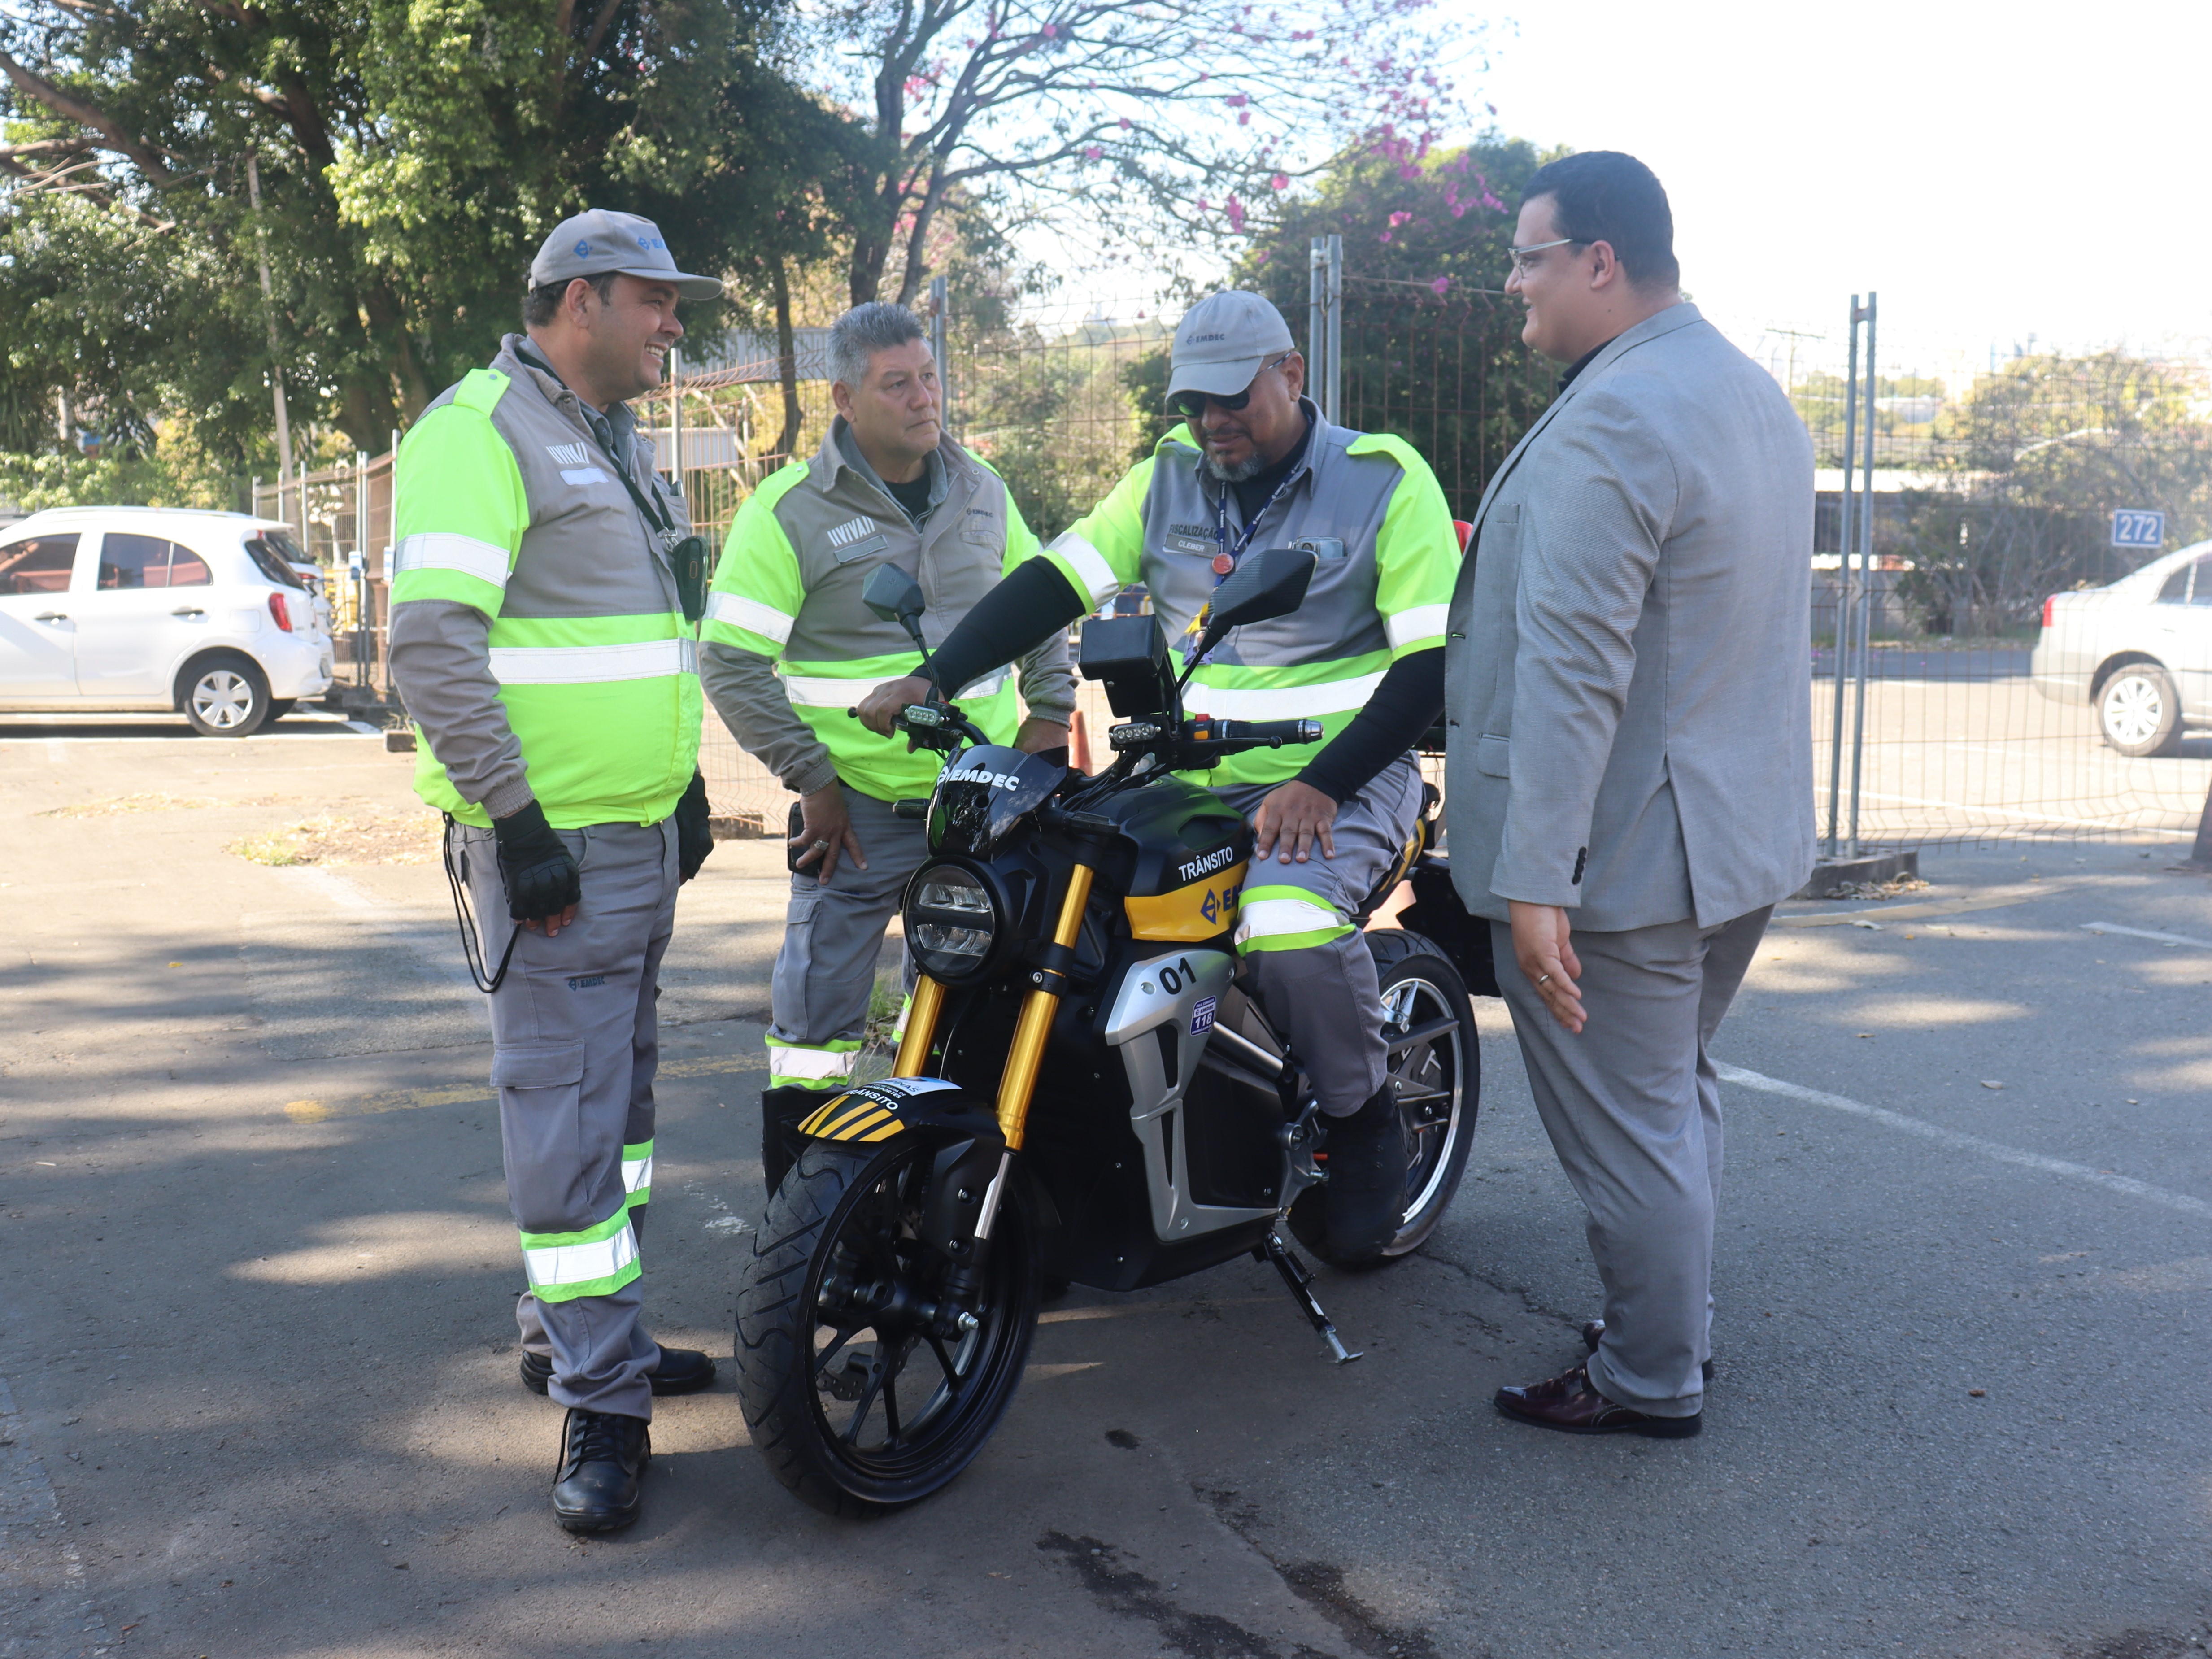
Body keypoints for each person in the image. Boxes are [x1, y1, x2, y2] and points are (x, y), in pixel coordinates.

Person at [858, 289, 1461, 1260]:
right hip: (1189, 771)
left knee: (1286, 920)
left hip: (1343, 772)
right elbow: (1057, 581)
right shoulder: (1167, 478)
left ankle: (1362, 1125)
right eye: (1195, 403)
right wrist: (938, 671)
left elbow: (1428, 664)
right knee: (1048, 898)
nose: (1214, 421)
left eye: (1235, 398)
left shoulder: (1384, 480)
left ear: (1292, 376)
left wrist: (1324, 782)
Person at [1442, 152, 1815, 1436]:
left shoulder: (1616, 413)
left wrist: (1534, 878)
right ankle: (1676, 1333)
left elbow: (1574, 667)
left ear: (1600, 260)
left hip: (1619, 863)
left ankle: (1650, 1376)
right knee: (1671, 1097)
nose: (1513, 285)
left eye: (1527, 257)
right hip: (1733, 836)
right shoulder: (1751, 394)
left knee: (1631, 1134)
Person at [388, 208, 724, 1531]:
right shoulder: (481, 431)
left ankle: (581, 1334)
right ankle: (602, 1399)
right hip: (557, 851)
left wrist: (681, 781)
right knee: (567, 1125)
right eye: (655, 300)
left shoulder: (611, 440)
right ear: (580, 299)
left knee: (619, 1108)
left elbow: (636, 639)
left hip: (631, 836)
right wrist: (517, 826)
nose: (673, 326)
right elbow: (433, 648)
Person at [701, 302, 1073, 1138]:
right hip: (855, 810)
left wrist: (1049, 717)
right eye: (896, 384)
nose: (923, 399)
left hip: (983, 801)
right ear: (844, 397)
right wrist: (814, 779)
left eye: (930, 377)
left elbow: (1045, 607)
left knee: (979, 993)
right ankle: (809, 1207)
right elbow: (728, 660)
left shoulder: (983, 490)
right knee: (817, 1018)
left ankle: (945, 1188)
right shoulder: (788, 510)